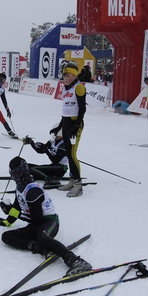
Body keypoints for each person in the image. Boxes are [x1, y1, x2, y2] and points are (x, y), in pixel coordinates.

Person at [0, 157, 92, 275]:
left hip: (49, 222)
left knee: (42, 237)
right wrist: (8, 217)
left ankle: (75, 260)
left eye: (19, 173)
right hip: (36, 224)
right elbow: (17, 207)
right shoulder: (20, 188)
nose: (18, 176)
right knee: (7, 236)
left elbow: (37, 218)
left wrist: (13, 211)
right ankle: (43, 249)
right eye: (16, 173)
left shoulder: (32, 190)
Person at [49, 61, 86, 197]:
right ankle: (71, 180)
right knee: (68, 154)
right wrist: (59, 126)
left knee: (72, 154)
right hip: (65, 123)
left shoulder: (79, 87)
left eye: (67, 75)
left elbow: (82, 108)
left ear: (73, 75)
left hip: (74, 124)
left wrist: (76, 126)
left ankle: (78, 185)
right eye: (63, 75)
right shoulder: (65, 88)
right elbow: (66, 110)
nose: (64, 77)